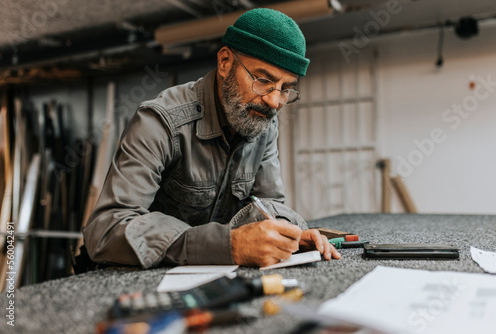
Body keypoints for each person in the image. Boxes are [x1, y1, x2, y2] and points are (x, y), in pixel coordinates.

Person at [83, 8, 341, 269]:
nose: (274, 102)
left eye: (286, 89)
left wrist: (286, 233)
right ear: (225, 62)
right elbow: (106, 229)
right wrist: (228, 246)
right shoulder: (160, 122)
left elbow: (268, 204)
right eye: (263, 80)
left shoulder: (263, 121)